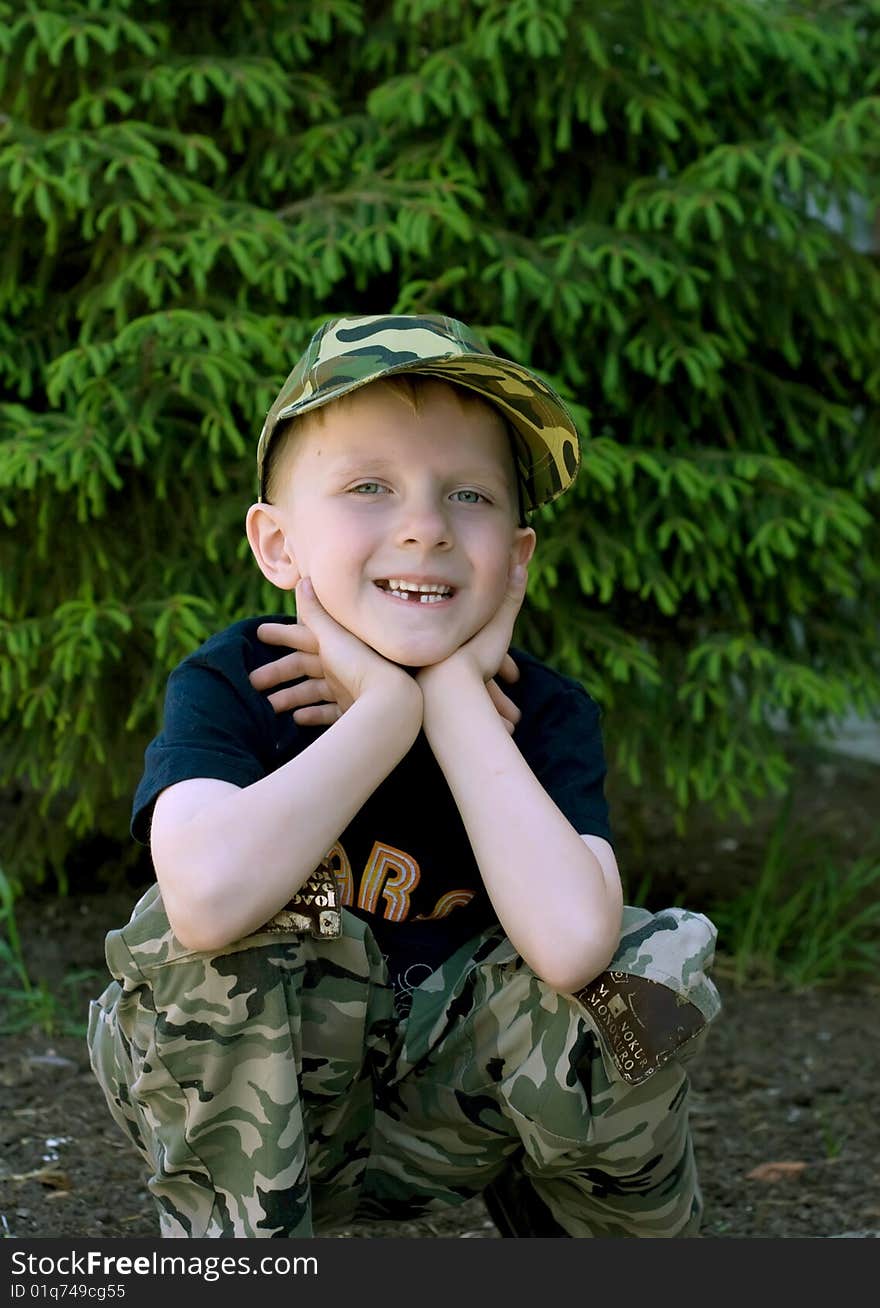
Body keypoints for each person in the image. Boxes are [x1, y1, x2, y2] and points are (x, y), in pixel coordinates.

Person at [87, 312, 721, 1239]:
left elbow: (579, 946)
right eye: (369, 487)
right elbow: (206, 904)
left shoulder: (540, 713)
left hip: (462, 1116)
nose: (424, 528)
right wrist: (387, 714)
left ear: (516, 559)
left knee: (643, 972)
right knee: (206, 942)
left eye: (469, 497)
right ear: (277, 546)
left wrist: (456, 707)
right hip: (270, 1114)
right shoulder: (238, 681)